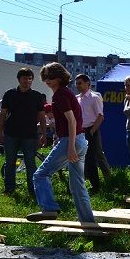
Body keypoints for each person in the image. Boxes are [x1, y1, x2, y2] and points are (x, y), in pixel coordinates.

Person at [27, 63, 94, 222]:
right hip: (80, 140)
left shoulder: (60, 95)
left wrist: (70, 147)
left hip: (71, 141)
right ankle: (88, 223)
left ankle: (49, 209)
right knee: (77, 186)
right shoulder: (66, 93)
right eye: (45, 77)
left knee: (40, 175)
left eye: (51, 77)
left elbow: (72, 121)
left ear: (60, 77)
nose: (47, 80)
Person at [0, 67, 46, 196]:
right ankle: (9, 189)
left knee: (31, 164)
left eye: (30, 78)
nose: (27, 81)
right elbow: (3, 115)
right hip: (10, 134)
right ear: (19, 79)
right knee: (10, 163)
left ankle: (32, 190)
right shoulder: (9, 94)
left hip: (30, 135)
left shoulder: (37, 96)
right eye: (25, 78)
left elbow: (42, 117)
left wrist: (43, 134)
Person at [75, 74, 111, 191]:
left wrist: (92, 131)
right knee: (83, 158)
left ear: (87, 83)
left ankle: (99, 185)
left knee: (93, 157)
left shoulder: (94, 97)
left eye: (80, 83)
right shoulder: (77, 98)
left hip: (91, 129)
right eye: (76, 83)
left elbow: (100, 116)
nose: (78, 86)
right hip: (80, 131)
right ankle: (87, 182)